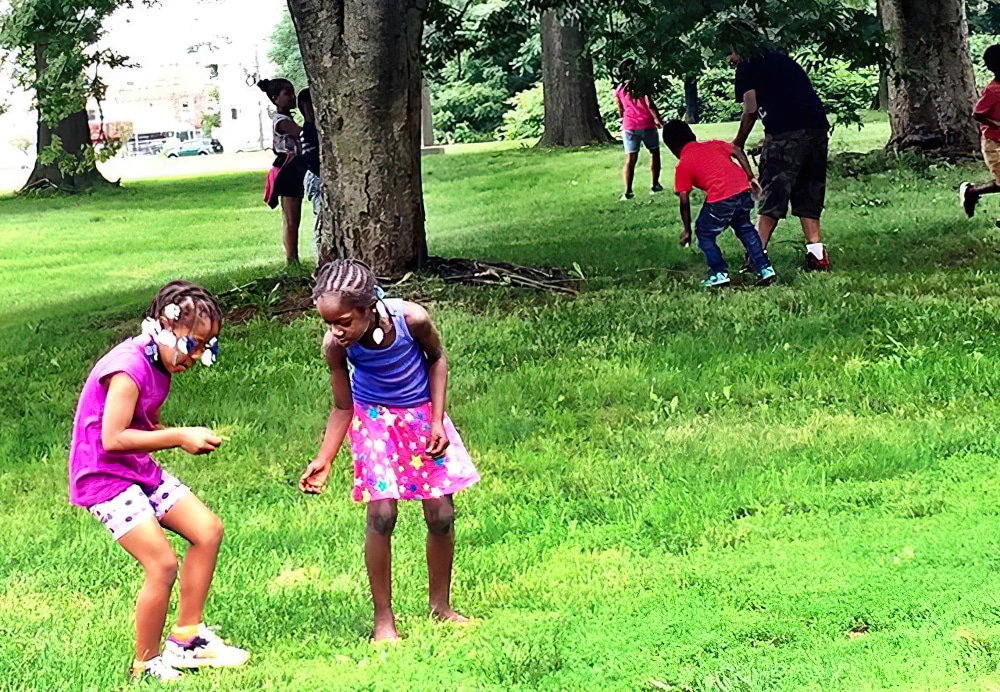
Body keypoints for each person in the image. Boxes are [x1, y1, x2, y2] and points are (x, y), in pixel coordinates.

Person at [68, 281, 248, 682]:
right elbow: (112, 439)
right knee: (162, 564)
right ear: (165, 327)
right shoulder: (129, 368)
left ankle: (187, 641)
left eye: (207, 347)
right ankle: (145, 666)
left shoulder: (159, 366)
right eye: (194, 344)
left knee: (207, 530)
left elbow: (140, 427)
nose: (198, 355)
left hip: (135, 468)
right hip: (103, 476)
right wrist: (179, 436)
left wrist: (170, 435)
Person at [299, 260, 480, 642]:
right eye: (329, 323)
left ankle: (441, 606)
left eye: (344, 321)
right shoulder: (336, 346)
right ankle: (384, 619)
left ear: (368, 307)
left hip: (421, 416)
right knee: (381, 514)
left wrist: (436, 420)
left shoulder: (411, 320)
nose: (336, 330)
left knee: (442, 515)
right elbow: (343, 407)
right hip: (375, 422)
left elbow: (438, 360)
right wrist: (325, 458)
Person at [730, 49, 831, 271]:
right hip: (817, 128)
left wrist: (737, 143)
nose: (730, 61)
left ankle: (757, 256)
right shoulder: (780, 59)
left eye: (730, 55)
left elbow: (750, 110)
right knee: (809, 190)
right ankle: (817, 255)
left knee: (773, 193)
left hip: (786, 131)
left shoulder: (747, 66)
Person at [664, 119, 776, 288]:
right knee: (745, 228)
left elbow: (684, 199)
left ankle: (719, 272)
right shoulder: (714, 145)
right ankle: (765, 268)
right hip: (743, 191)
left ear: (672, 148)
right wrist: (750, 176)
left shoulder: (683, 164)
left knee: (704, 233)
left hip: (721, 197)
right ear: (693, 135)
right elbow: (737, 151)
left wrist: (687, 229)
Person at [258, 77, 305, 266]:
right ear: (275, 98)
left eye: (293, 93)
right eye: (287, 94)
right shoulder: (282, 121)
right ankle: (292, 259)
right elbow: (302, 132)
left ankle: (292, 258)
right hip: (288, 169)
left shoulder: (285, 118)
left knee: (291, 218)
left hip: (292, 168)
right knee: (292, 219)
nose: (292, 97)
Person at [614, 59, 664, 200]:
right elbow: (651, 106)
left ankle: (628, 191)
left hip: (629, 126)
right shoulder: (642, 88)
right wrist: (660, 122)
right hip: (647, 125)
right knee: (654, 153)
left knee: (630, 159)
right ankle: (655, 185)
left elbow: (620, 107)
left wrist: (622, 119)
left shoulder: (620, 89)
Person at [961, 44, 1000, 219]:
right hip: (994, 144)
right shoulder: (992, 91)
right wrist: (996, 124)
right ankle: (971, 193)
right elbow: (978, 114)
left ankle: (972, 192)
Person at [298, 87, 326, 264]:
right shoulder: (308, 130)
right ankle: (321, 260)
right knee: (320, 219)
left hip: (319, 177)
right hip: (317, 178)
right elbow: (312, 159)